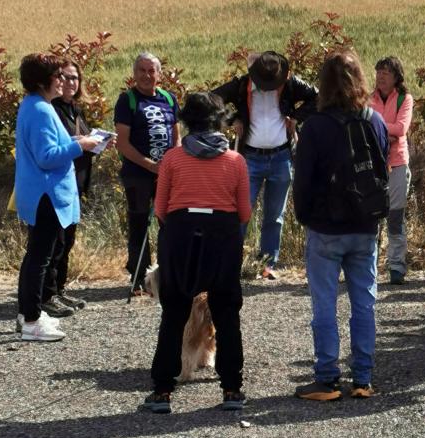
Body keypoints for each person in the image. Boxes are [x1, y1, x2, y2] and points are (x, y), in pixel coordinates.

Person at [142, 92, 251, 415]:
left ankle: (162, 390)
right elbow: (244, 212)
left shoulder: (173, 160)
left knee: (174, 312)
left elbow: (160, 209)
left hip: (180, 235)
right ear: (219, 121)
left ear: (186, 122)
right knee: (226, 313)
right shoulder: (235, 160)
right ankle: (232, 388)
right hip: (222, 236)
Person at [293, 50, 389, 401]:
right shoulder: (374, 120)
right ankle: (362, 378)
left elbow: (302, 181)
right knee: (364, 303)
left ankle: (327, 378)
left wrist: (305, 216)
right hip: (365, 224)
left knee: (325, 304)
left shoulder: (315, 126)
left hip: (325, 227)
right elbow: (384, 169)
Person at [14, 54, 100, 341]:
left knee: (35, 255)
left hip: (40, 192)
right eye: (57, 76)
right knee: (40, 257)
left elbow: (50, 145)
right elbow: (46, 156)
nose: (62, 80)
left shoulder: (35, 105)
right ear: (43, 81)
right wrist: (82, 146)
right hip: (46, 193)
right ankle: (31, 320)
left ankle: (28, 311)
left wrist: (74, 142)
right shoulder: (40, 109)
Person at [212, 51, 318, 279]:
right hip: (249, 158)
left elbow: (318, 97)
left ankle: (268, 264)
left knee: (275, 216)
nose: (270, 87)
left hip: (281, 156)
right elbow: (211, 99)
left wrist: (297, 116)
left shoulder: (290, 84)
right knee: (240, 212)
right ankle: (232, 261)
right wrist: (233, 119)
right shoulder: (241, 86)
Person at [42, 60, 107, 317]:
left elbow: (81, 143)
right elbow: (59, 145)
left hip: (76, 182)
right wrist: (82, 142)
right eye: (66, 77)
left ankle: (58, 289)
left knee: (67, 240)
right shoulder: (52, 109)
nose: (71, 82)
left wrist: (98, 142)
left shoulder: (75, 109)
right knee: (54, 242)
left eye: (75, 78)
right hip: (57, 184)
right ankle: (46, 295)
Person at [114, 52, 180, 293]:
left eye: (151, 70)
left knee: (170, 224)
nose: (146, 75)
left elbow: (177, 136)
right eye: (141, 70)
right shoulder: (127, 100)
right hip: (137, 175)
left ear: (159, 74)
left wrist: (174, 165)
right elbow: (122, 143)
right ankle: (139, 277)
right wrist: (152, 166)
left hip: (167, 174)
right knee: (139, 224)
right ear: (134, 74)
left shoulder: (169, 98)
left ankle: (168, 273)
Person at [369, 56, 413, 285]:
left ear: (396, 77)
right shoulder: (369, 99)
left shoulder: (404, 99)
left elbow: (401, 128)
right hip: (373, 164)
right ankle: (368, 265)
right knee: (372, 217)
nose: (380, 77)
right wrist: (389, 132)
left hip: (396, 163)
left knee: (395, 217)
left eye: (385, 73)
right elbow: (367, 128)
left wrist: (377, 128)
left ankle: (396, 266)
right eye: (378, 73)